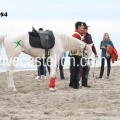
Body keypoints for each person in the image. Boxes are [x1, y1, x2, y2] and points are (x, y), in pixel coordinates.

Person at [81, 22, 98, 87]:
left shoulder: (89, 36)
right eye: (85, 28)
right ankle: (78, 82)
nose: (86, 29)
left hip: (87, 55)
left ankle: (85, 83)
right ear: (82, 28)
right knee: (80, 69)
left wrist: (96, 53)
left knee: (87, 68)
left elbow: (92, 45)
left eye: (87, 28)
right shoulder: (80, 35)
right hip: (81, 54)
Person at [69, 21, 84, 89]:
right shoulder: (76, 35)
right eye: (82, 25)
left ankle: (72, 83)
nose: (83, 27)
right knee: (76, 69)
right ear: (78, 26)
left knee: (74, 69)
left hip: (75, 54)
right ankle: (75, 84)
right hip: (76, 55)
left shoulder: (78, 34)